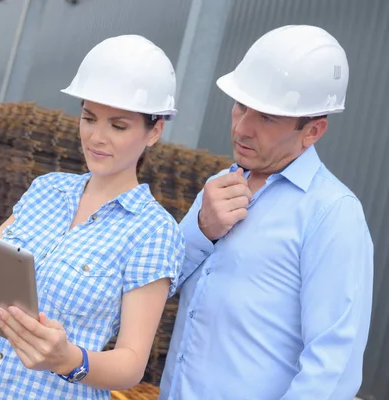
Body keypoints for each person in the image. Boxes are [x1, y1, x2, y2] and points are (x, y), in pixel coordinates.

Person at [0, 34, 185, 400]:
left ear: (154, 131)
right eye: (89, 118)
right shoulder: (46, 190)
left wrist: (69, 359)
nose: (97, 137)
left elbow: (130, 364)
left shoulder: (153, 232)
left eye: (119, 125)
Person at [159, 25, 374, 400]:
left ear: (313, 131)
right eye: (241, 106)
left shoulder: (332, 215)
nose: (242, 128)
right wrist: (200, 228)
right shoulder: (218, 187)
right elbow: (157, 286)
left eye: (267, 117)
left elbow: (332, 369)